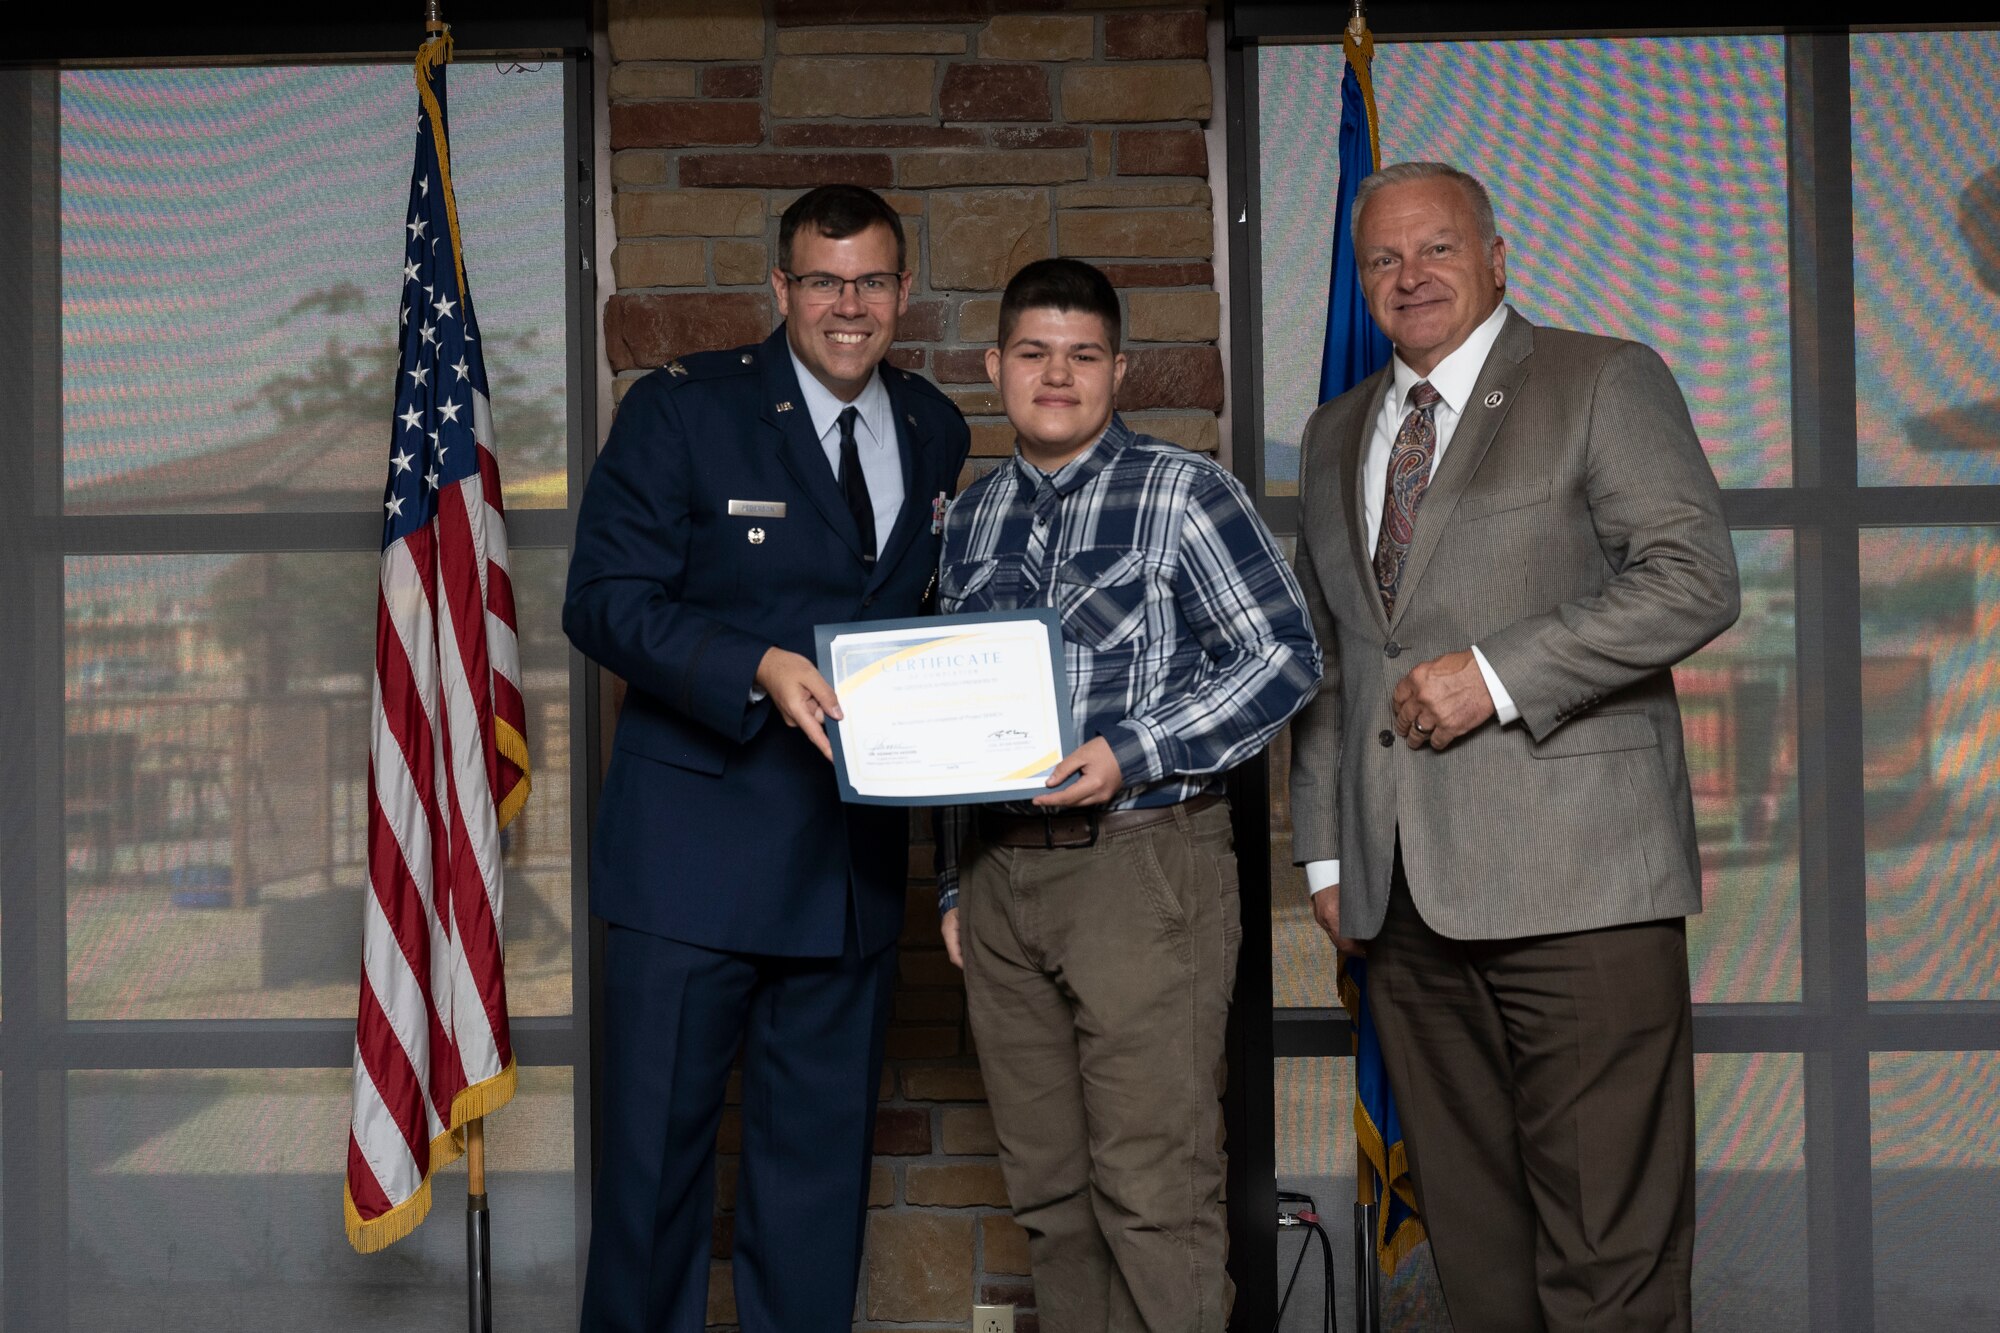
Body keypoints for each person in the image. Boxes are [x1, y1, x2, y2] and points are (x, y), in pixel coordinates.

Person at [1288, 160, 1740, 1332]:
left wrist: (1494, 676)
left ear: (1496, 257)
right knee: (1476, 1259)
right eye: (1381, 259)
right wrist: (1328, 860)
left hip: (1580, 890)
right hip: (1401, 908)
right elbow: (1339, 660)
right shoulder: (1335, 433)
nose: (1408, 275)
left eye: (1435, 248)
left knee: (1609, 1258)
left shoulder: (1600, 379)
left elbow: (1693, 580)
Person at [563, 184, 970, 1333]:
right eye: (824, 281)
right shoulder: (681, 411)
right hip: (689, 863)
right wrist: (755, 665)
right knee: (651, 1188)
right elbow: (600, 603)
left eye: (873, 281)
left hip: (845, 868)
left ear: (902, 292)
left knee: (814, 1186)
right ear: (781, 288)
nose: (850, 305)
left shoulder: (935, 424)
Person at [935, 257, 1321, 1333]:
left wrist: (1133, 748)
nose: (1055, 375)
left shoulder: (1185, 492)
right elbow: (946, 719)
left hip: (1143, 869)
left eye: (1082, 354)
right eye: (1032, 353)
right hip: (1000, 883)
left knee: (1154, 1195)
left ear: (1119, 369)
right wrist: (950, 885)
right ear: (993, 365)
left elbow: (1283, 656)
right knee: (1052, 1197)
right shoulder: (966, 522)